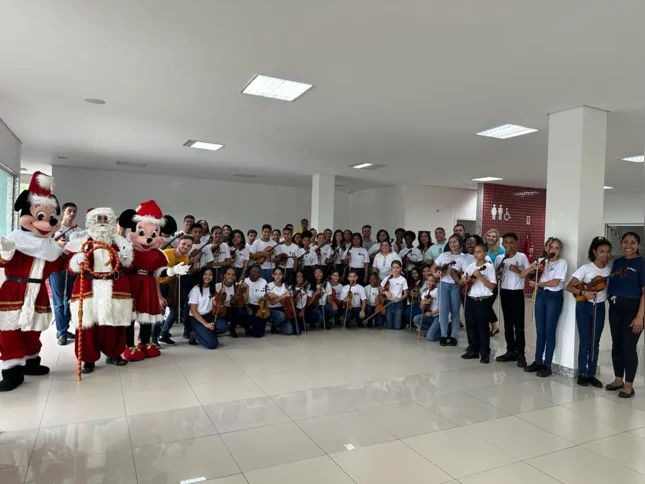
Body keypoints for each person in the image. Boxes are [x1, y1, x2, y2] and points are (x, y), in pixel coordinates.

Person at [0, 172, 68, 391]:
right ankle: (12, 370)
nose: (47, 223)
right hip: (14, 290)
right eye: (40, 216)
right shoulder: (15, 240)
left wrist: (75, 258)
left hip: (37, 291)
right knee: (9, 331)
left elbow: (59, 263)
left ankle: (31, 362)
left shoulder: (49, 247)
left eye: (51, 218)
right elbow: (3, 261)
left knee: (33, 329)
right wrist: (7, 251)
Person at [67, 208, 135, 372]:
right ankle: (88, 359)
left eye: (106, 218)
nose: (102, 222)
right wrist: (77, 259)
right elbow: (70, 267)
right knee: (88, 326)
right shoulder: (81, 240)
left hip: (114, 286)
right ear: (91, 221)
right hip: (89, 286)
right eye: (99, 218)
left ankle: (114, 354)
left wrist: (125, 259)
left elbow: (129, 265)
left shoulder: (120, 241)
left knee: (114, 323)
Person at [565, 237, 612, 388]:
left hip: (599, 307)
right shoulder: (585, 268)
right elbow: (569, 286)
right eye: (602, 252)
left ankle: (591, 373)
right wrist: (584, 293)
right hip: (584, 307)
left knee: (595, 342)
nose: (605, 255)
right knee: (585, 340)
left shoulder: (609, 271)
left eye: (608, 252)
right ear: (594, 252)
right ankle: (582, 373)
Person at [605, 232, 644, 398]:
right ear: (621, 243)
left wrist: (639, 317)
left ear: (638, 245)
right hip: (615, 309)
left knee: (629, 346)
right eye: (626, 242)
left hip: (634, 310)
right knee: (617, 344)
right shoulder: (617, 263)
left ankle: (629, 385)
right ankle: (618, 379)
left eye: (633, 242)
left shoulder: (642, 263)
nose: (629, 245)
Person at [521, 238, 567, 378]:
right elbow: (522, 274)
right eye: (551, 247)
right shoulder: (541, 260)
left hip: (553, 297)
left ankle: (547, 364)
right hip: (541, 296)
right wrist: (532, 268)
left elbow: (554, 283)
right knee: (540, 330)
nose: (553, 250)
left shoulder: (562, 263)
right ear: (546, 248)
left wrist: (537, 284)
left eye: (557, 248)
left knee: (549, 330)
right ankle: (537, 360)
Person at [494, 233, 529, 367]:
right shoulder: (499, 258)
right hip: (504, 292)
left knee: (519, 325)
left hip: (517, 293)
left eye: (511, 242)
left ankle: (521, 354)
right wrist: (500, 270)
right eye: (506, 243)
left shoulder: (522, 257)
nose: (508, 245)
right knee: (508, 324)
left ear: (516, 243)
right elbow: (496, 276)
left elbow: (529, 272)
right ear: (502, 244)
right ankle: (510, 351)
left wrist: (517, 269)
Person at [459, 242, 497, 363]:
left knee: (483, 327)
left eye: (479, 252)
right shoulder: (470, 266)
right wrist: (464, 280)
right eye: (475, 251)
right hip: (471, 299)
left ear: (485, 253)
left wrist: (480, 276)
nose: (476, 254)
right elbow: (462, 281)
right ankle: (473, 350)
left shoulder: (489, 266)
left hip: (483, 300)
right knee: (470, 325)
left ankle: (485, 352)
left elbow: (492, 286)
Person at [154, 234, 195, 346]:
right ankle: (153, 339)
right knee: (159, 312)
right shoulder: (166, 254)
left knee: (174, 311)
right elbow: (155, 275)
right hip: (157, 284)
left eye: (189, 246)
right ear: (178, 244)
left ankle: (164, 334)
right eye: (184, 244)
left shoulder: (186, 258)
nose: (186, 247)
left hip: (169, 285)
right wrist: (159, 296)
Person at [50, 201, 80, 345]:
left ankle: (63, 328)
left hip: (72, 267)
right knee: (58, 300)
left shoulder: (78, 230)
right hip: (56, 266)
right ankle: (61, 332)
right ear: (63, 212)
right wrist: (57, 243)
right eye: (69, 211)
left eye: (74, 211)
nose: (72, 213)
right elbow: (47, 245)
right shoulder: (54, 227)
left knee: (69, 299)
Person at [431, 234, 464, 346]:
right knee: (443, 311)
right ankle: (443, 335)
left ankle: (454, 335)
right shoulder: (444, 255)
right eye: (450, 242)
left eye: (455, 242)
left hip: (456, 285)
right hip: (443, 284)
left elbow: (464, 272)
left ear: (460, 243)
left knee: (455, 311)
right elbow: (433, 267)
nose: (452, 244)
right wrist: (436, 274)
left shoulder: (463, 257)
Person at [188, 267, 229, 349]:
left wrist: (222, 294)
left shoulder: (213, 288)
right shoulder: (195, 290)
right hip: (197, 318)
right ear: (201, 275)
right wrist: (205, 324)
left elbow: (217, 302)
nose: (207, 276)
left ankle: (206, 332)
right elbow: (194, 311)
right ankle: (195, 334)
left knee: (224, 326)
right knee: (212, 344)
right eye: (205, 274)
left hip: (209, 316)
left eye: (210, 275)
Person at [485, 228, 505, 336]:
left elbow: (502, 268)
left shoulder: (500, 251)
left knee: (487, 305)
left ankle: (494, 326)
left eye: (493, 236)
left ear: (497, 238)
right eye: (489, 235)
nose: (490, 238)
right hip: (481, 281)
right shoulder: (483, 248)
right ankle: (489, 325)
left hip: (493, 281)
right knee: (483, 305)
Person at [241, 264, 269, 338]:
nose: (256, 273)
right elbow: (242, 298)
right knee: (244, 315)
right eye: (254, 271)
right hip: (248, 305)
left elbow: (265, 296)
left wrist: (265, 297)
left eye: (258, 272)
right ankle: (247, 327)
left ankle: (255, 325)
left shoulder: (264, 281)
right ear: (250, 271)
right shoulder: (245, 281)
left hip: (260, 306)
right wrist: (247, 307)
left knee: (258, 334)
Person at [412, 268, 440, 341]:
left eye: (432, 281)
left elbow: (443, 308)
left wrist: (432, 313)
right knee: (416, 319)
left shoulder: (437, 290)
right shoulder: (425, 291)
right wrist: (422, 303)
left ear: (435, 282)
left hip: (438, 316)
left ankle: (444, 332)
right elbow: (421, 308)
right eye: (427, 280)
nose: (429, 282)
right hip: (430, 316)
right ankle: (432, 329)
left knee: (429, 337)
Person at [380, 260, 408, 330]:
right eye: (393, 267)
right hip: (388, 302)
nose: (395, 270)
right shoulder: (387, 278)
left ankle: (404, 323)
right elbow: (380, 289)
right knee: (389, 327)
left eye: (397, 267)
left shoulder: (403, 280)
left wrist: (399, 298)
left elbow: (406, 294)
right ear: (391, 268)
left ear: (401, 268)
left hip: (398, 303)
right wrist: (385, 292)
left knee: (397, 327)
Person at [267, 267, 294, 335]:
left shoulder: (286, 286)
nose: (278, 276)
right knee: (281, 315)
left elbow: (288, 300)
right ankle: (274, 325)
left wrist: (276, 296)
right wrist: (283, 296)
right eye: (276, 274)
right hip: (271, 309)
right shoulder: (269, 285)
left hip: (283, 309)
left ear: (283, 275)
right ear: (273, 275)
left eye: (280, 274)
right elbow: (272, 302)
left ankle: (279, 325)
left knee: (289, 331)